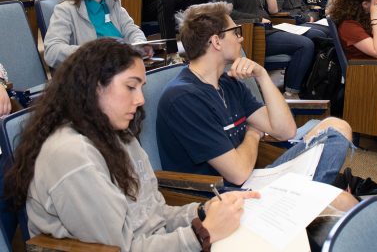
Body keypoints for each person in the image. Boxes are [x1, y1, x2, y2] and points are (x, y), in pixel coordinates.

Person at [4, 38, 260, 251]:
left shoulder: (117, 133)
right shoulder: (72, 155)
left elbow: (154, 215)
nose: (140, 100)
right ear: (94, 87)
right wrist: (201, 234)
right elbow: (122, 247)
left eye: (141, 87)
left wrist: (204, 211)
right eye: (130, 87)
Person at [155, 3, 356, 204]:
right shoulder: (185, 98)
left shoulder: (228, 82)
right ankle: (310, 205)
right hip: (225, 198)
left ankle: (308, 205)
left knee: (337, 127)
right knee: (344, 202)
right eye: (235, 32)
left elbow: (285, 131)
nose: (241, 38)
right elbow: (238, 173)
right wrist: (252, 133)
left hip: (255, 179)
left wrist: (262, 75)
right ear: (216, 41)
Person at [217, 0, 317, 98]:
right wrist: (256, 20)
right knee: (305, 44)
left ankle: (302, 87)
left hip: (268, 29)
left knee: (312, 38)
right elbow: (225, 13)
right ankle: (291, 93)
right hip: (253, 33)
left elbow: (273, 9)